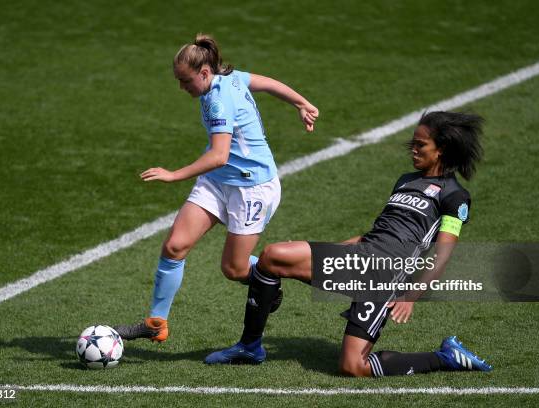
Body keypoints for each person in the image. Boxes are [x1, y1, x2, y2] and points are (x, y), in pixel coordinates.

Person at [206, 111, 494, 377]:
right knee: (273, 257)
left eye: (421, 145)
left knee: (353, 366)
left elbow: (442, 252)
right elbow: (379, 231)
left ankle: (444, 357)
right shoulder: (406, 181)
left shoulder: (455, 196)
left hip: (384, 276)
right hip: (361, 255)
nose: (413, 150)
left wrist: (411, 295)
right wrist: (334, 248)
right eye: (412, 144)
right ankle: (250, 347)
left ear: (441, 149)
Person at [114, 34, 319, 343]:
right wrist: (300, 102)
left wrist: (174, 175)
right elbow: (267, 83)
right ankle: (156, 322)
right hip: (219, 181)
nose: (182, 88)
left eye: (185, 81)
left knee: (234, 269)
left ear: (205, 73)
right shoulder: (230, 76)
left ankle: (272, 275)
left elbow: (218, 155)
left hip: (252, 188)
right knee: (174, 246)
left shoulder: (216, 101)